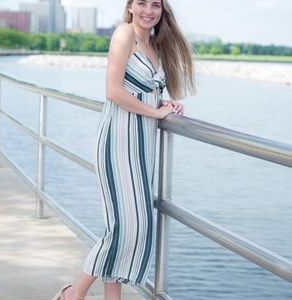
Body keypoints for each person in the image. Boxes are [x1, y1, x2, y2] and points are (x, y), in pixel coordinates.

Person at [52, 0, 195, 299]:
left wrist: (164, 103)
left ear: (162, 10)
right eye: (141, 3)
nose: (148, 10)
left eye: (155, 4)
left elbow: (143, 90)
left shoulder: (156, 44)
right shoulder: (123, 34)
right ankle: (72, 295)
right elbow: (113, 91)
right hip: (118, 141)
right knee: (123, 229)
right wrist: (156, 113)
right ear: (130, 7)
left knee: (134, 229)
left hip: (143, 146)